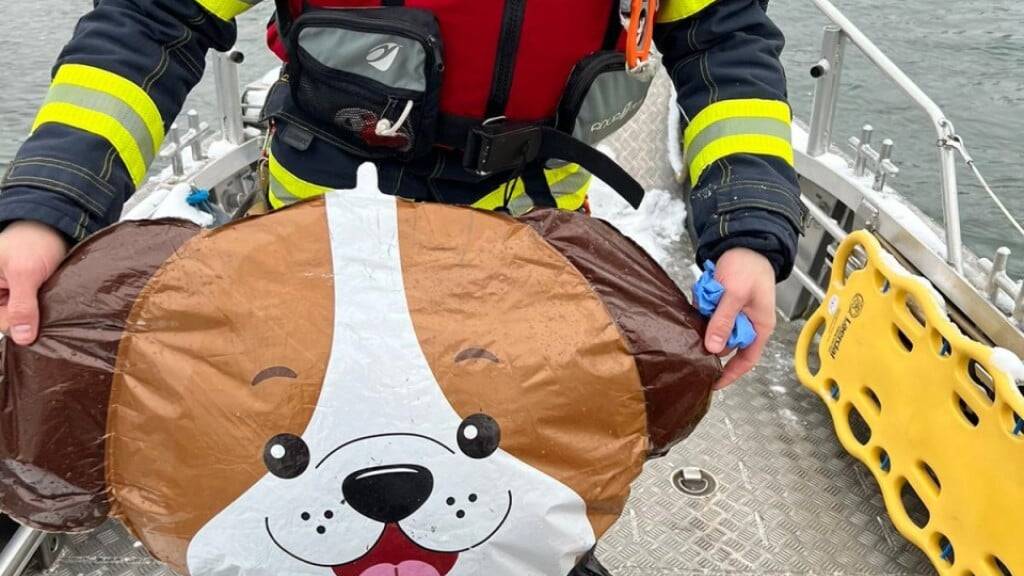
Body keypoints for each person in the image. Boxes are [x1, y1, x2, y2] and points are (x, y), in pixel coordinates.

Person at [0, 3, 799, 566]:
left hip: (529, 264)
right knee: (305, 466)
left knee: (517, 461)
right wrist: (46, 210)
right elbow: (152, 21)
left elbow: (721, 45)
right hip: (316, 255)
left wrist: (748, 234)